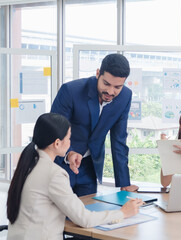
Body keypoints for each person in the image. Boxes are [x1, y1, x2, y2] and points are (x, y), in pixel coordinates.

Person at [6, 113, 143, 240]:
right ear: (57, 143)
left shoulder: (28, 164)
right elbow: (85, 219)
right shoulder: (54, 173)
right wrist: (123, 212)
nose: (70, 143)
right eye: (69, 138)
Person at [51, 53, 138, 197]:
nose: (110, 91)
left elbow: (119, 141)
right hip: (62, 163)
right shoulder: (71, 91)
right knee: (60, 215)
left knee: (87, 213)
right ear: (98, 73)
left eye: (117, 87)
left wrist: (124, 183)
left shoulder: (125, 97)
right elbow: (54, 129)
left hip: (90, 167)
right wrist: (69, 153)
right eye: (106, 84)